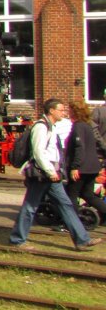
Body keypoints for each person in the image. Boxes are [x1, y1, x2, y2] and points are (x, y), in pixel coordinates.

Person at [9, 98, 103, 251]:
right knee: (30, 206)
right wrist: (50, 171)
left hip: (52, 174)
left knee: (65, 204)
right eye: (60, 110)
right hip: (42, 174)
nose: (63, 113)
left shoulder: (51, 127)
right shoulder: (41, 127)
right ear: (51, 111)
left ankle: (82, 239)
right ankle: (17, 239)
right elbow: (39, 153)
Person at [64, 98, 106, 222]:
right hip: (93, 167)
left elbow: (79, 147)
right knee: (88, 195)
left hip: (82, 168)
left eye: (69, 109)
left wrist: (75, 167)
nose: (68, 111)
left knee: (71, 195)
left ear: (75, 111)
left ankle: (72, 223)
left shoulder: (78, 126)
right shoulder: (89, 126)